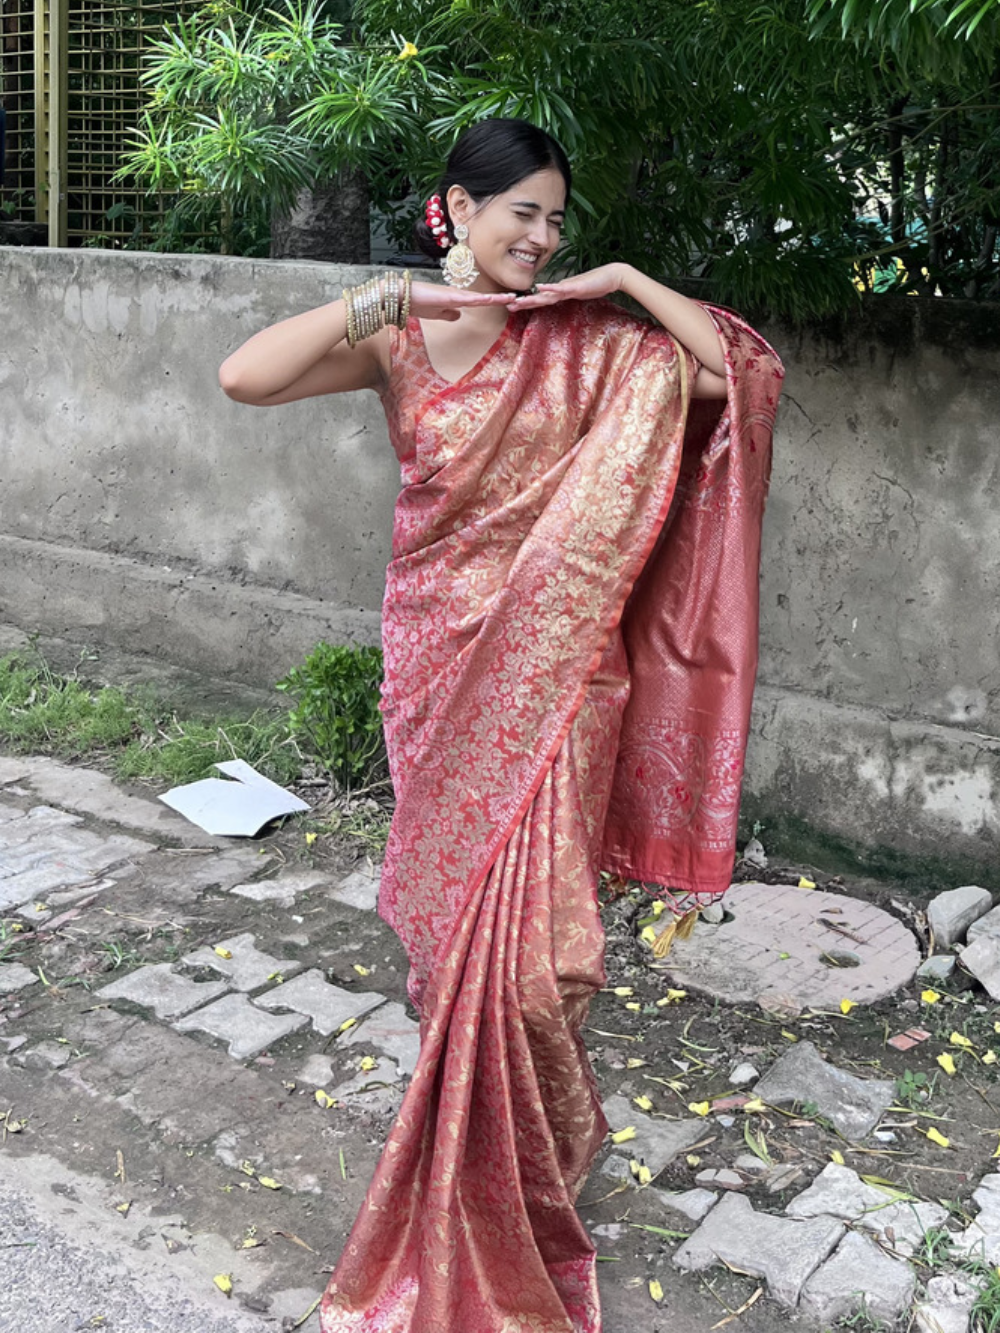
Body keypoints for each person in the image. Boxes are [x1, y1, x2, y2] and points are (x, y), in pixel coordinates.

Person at [219, 117, 783, 1333]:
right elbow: (244, 375)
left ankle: (522, 1160)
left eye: (556, 218)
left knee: (547, 966)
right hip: (437, 664)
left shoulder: (592, 344)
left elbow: (735, 378)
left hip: (566, 677)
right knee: (456, 947)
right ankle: (477, 1159)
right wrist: (393, 302)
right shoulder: (399, 343)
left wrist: (625, 283)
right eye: (520, 211)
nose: (542, 235)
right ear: (455, 210)